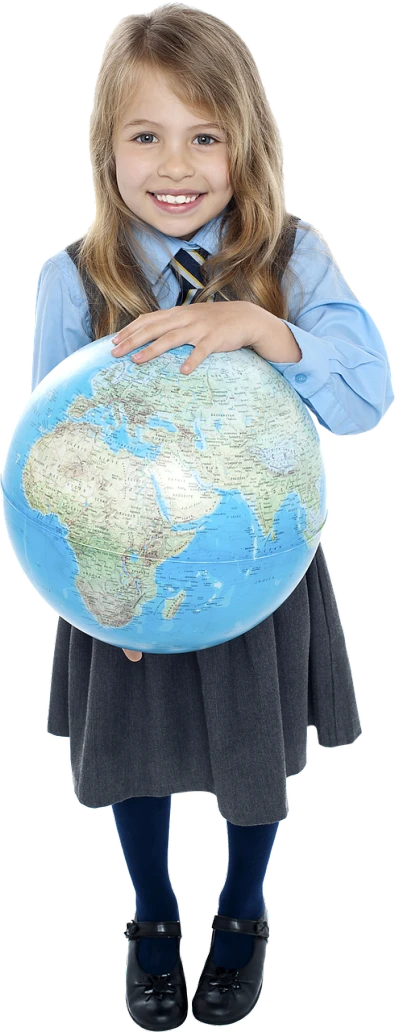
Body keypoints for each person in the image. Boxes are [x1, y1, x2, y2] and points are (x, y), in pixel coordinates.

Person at [30, 5, 394, 1027]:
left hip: (257, 563)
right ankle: (149, 918)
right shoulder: (74, 277)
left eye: (205, 136)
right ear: (107, 151)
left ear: (247, 145)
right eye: (145, 136)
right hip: (121, 568)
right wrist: (97, 598)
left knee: (249, 749)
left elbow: (367, 399)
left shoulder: (290, 259)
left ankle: (239, 913)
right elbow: (44, 450)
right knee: (134, 756)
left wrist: (261, 327)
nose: (175, 165)